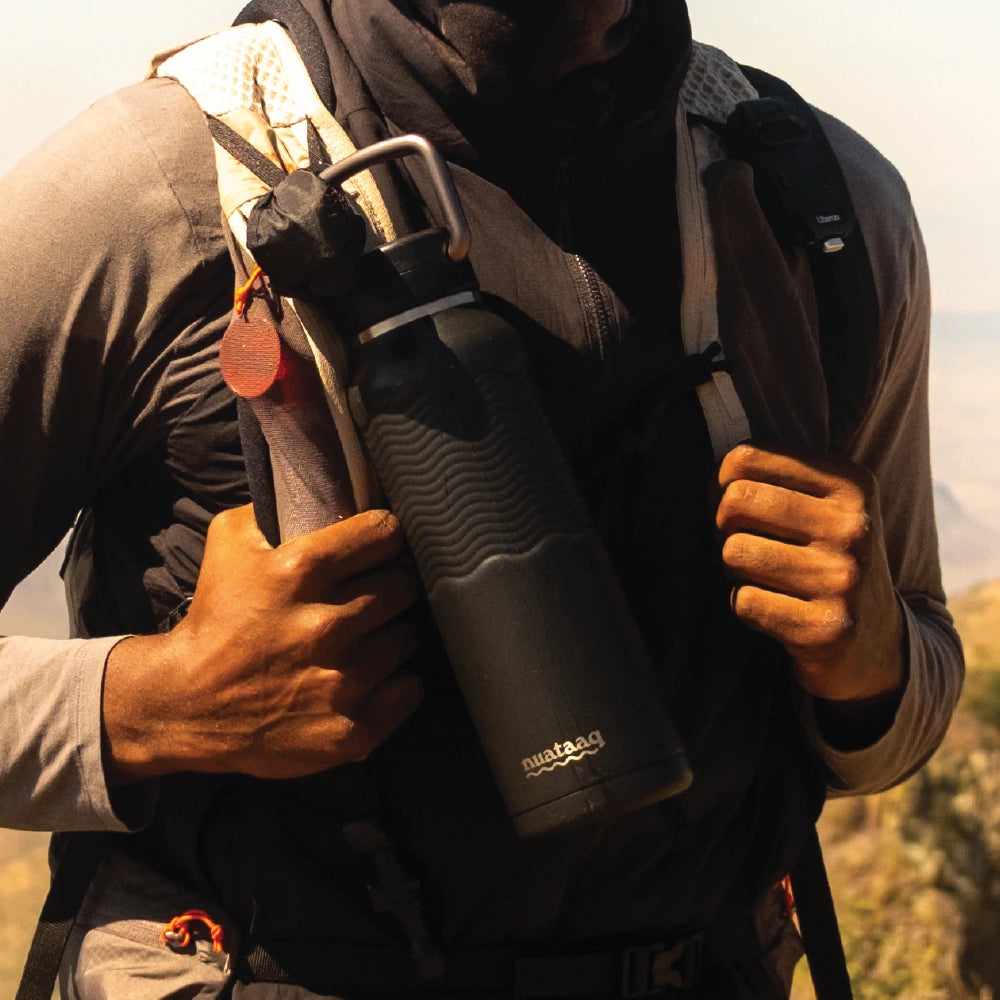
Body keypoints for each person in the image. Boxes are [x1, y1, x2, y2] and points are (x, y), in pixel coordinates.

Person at [0, 1, 963, 997]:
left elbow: (909, 695)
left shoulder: (810, 197)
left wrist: (871, 666)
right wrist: (151, 704)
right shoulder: (153, 188)